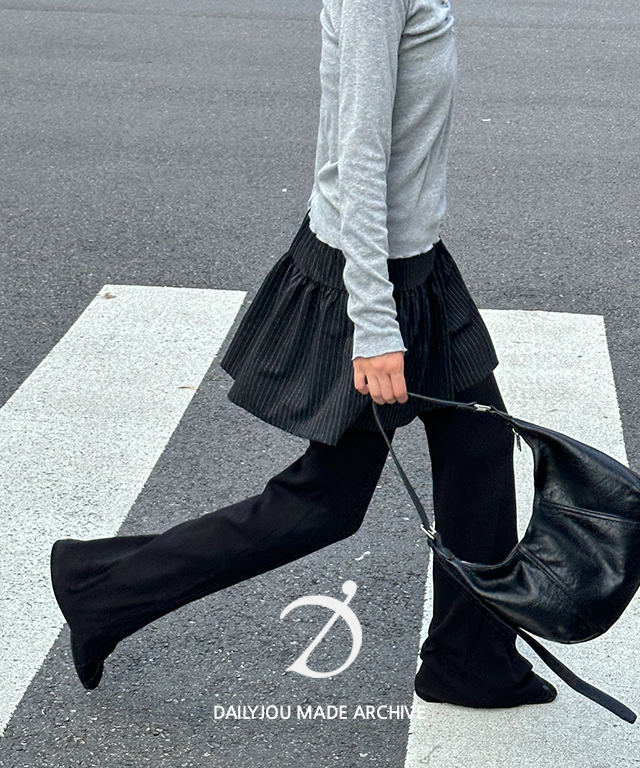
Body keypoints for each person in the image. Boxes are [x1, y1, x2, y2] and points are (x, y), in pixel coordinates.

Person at [50, 0, 557, 707]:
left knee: (477, 447)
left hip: (416, 265)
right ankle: (104, 590)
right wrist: (374, 326)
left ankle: (469, 659)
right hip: (373, 274)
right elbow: (359, 154)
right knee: (323, 503)